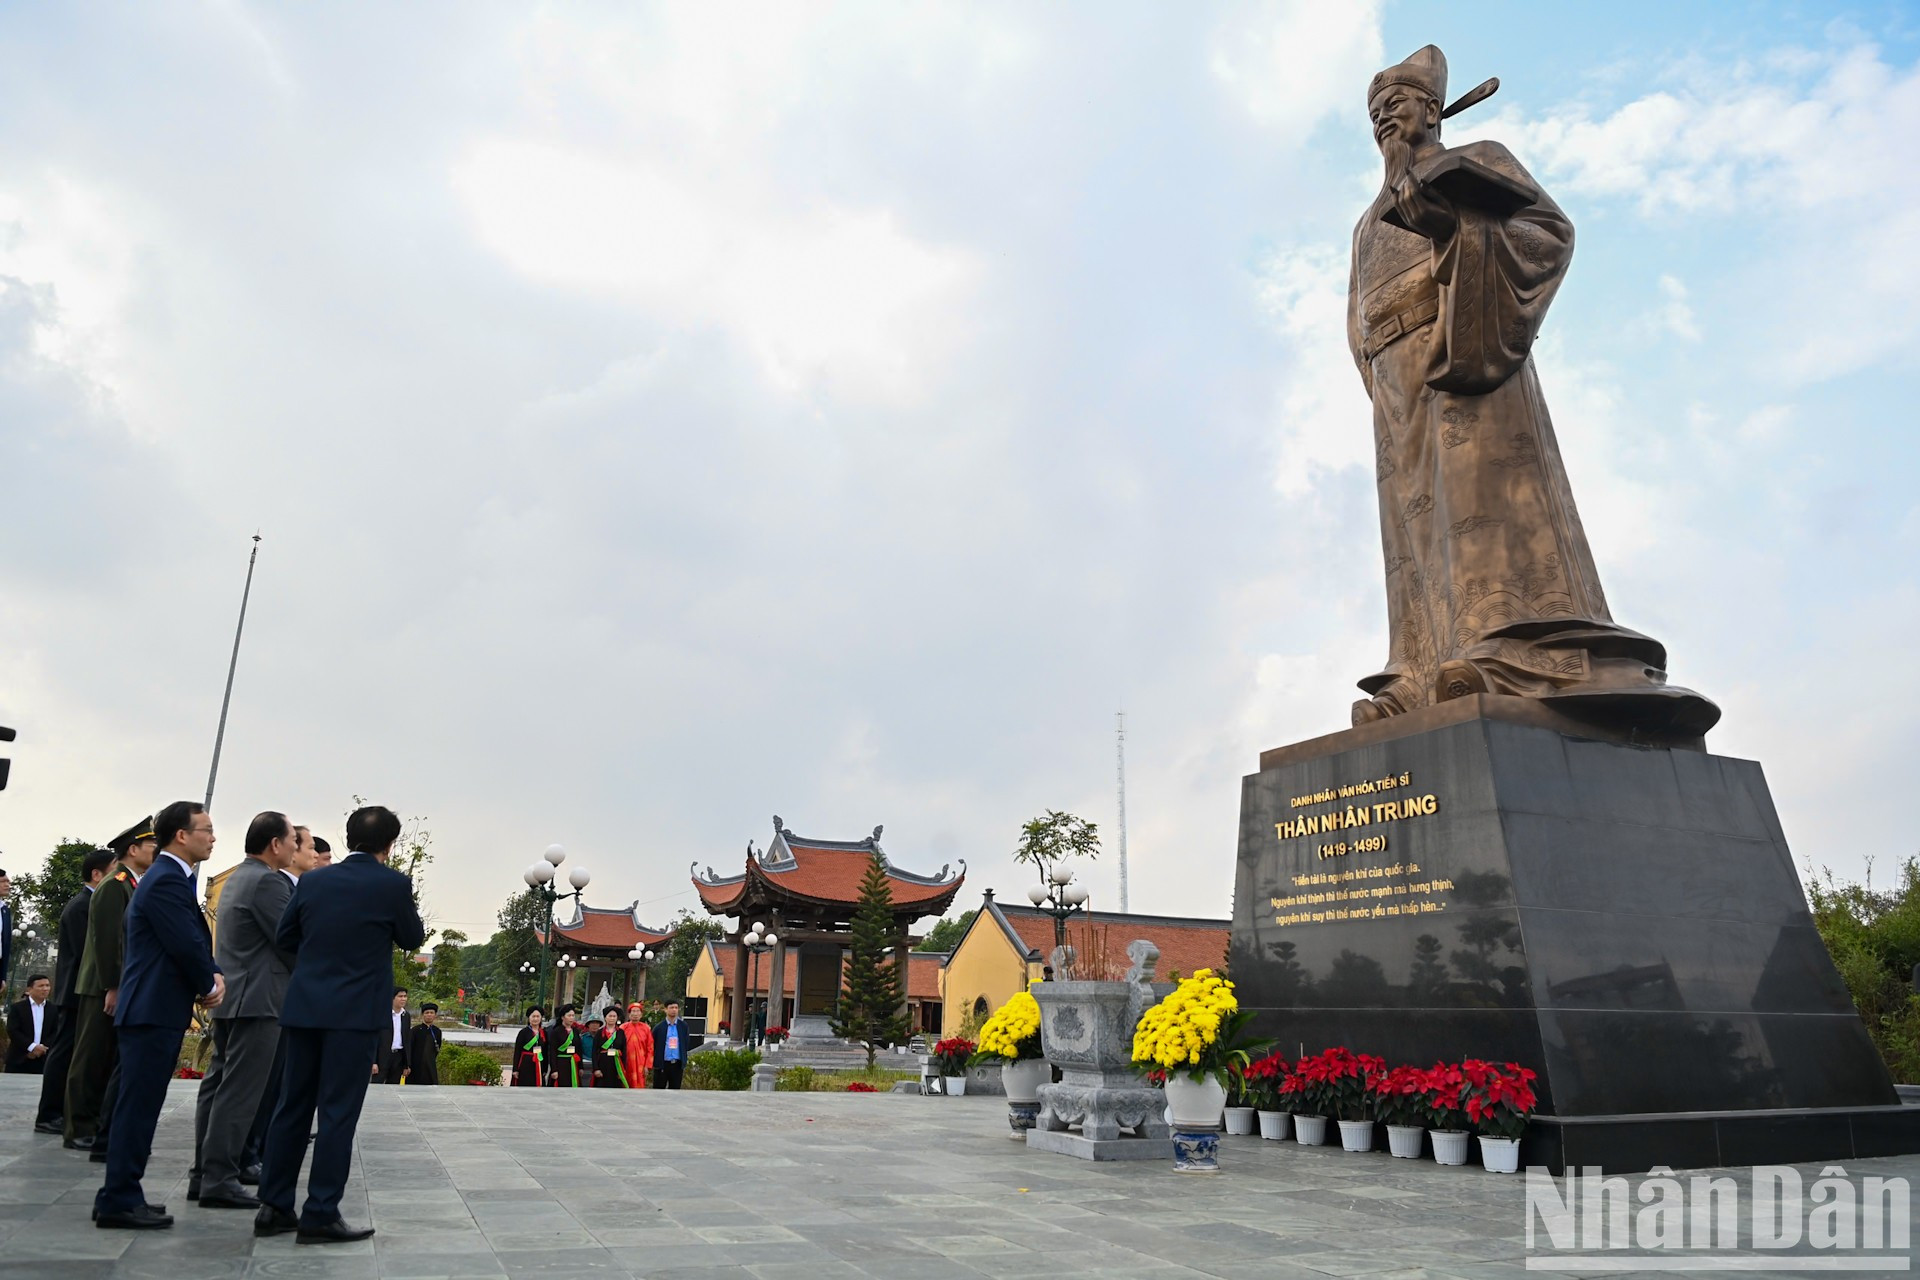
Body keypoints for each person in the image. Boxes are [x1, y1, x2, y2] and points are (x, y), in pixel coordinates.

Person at [1345, 44, 1713, 733]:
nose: (1384, 120)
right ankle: (1420, 669)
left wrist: (1460, 227)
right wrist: (1377, 374)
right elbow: (1356, 313)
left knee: (1482, 507)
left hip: (1467, 340)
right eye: (1374, 113)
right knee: (1411, 532)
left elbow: (1548, 230)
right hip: (1396, 385)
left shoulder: (1482, 156)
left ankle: (1509, 654)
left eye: (1395, 105)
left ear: (1431, 108)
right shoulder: (1369, 222)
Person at [255, 804, 424, 1244]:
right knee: (337, 1114)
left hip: (306, 1007)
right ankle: (320, 1213)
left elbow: (286, 936)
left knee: (291, 1106)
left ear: (348, 838)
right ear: (391, 843)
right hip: (354, 1015)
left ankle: (273, 1207)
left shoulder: (313, 880)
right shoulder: (393, 884)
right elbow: (412, 937)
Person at [94, 800, 224, 1231]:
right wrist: (209, 983)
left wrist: (213, 973)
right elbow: (183, 943)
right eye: (205, 829)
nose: (212, 837)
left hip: (155, 1008)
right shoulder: (167, 879)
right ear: (182, 836)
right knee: (138, 1107)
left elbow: (191, 939)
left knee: (140, 1105)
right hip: (152, 1010)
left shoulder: (171, 878)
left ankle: (119, 1193)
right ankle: (119, 1197)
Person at [189, 812, 298, 1209]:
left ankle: (204, 1174)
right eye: (292, 840)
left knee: (218, 1085)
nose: (294, 848)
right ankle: (219, 1178)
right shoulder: (268, 881)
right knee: (240, 1093)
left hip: (237, 997)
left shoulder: (239, 877)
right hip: (260, 1000)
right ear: (274, 844)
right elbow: (290, 940)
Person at [66, 819, 156, 1155]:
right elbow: (108, 942)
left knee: (105, 1059)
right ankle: (78, 1127)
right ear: (133, 850)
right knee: (89, 1058)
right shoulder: (114, 885)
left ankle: (95, 1123)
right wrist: (113, 986)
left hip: (113, 984)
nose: (156, 852)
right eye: (150, 847)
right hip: (100, 986)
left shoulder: (129, 884)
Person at [238, 824, 322, 1178]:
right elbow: (289, 943)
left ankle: (254, 1150)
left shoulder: (281, 884)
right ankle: (245, 1155)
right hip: (266, 996)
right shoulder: (273, 884)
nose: (316, 856)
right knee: (257, 1085)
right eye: (309, 847)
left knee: (272, 1083)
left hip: (278, 997)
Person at [35, 848, 114, 1131]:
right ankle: (49, 1114)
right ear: (96, 874)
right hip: (74, 993)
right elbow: (87, 953)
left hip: (81, 991)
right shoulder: (83, 905)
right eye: (113, 869)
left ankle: (65, 1111)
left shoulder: (90, 903)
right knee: (64, 1053)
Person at [6, 974, 53, 1072]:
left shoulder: (53, 1009)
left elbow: (55, 1031)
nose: (45, 989)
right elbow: (13, 1030)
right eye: (41, 986)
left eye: (47, 985)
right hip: (19, 1059)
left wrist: (41, 1049)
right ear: (29, 989)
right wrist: (32, 1047)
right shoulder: (17, 1008)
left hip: (44, 1060)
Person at [651, 1001, 701, 1089]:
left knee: (675, 1091)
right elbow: (653, 1044)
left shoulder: (683, 1026)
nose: (674, 1010)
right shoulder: (659, 1027)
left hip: (677, 1064)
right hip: (662, 1064)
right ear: (665, 1010)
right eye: (671, 1008)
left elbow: (686, 1043)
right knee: (658, 1091)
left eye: (676, 1008)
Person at [374, 988, 410, 1084]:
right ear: (392, 998)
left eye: (405, 996)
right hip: (383, 1056)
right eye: (400, 996)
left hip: (398, 1057)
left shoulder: (406, 1016)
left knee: (394, 1086)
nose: (403, 999)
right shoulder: (382, 1015)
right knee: (377, 1085)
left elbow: (407, 1040)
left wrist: (407, 1064)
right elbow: (375, 1039)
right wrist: (373, 1062)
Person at [592, 1008, 628, 1088]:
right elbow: (594, 1051)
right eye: (610, 1016)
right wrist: (596, 1068)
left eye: (614, 1016)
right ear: (605, 1018)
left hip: (616, 1064)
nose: (612, 1018)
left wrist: (623, 1069)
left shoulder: (620, 1032)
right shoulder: (599, 1033)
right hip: (602, 1064)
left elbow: (624, 1051)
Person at [547, 1006, 583, 1086]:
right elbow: (552, 1051)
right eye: (569, 1015)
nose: (571, 1018)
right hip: (561, 1063)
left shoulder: (576, 1031)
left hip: (573, 1063)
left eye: (573, 1016)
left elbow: (579, 1049)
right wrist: (554, 1069)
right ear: (563, 1017)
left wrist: (581, 1067)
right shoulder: (556, 1031)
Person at [407, 1003, 441, 1086]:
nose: (429, 1015)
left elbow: (437, 1048)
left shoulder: (437, 1031)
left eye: (431, 1013)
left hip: (430, 1066)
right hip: (416, 1066)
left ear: (435, 1015)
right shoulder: (415, 1030)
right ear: (422, 1015)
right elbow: (409, 1048)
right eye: (427, 1013)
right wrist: (408, 1065)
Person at [511, 1008, 546, 1086]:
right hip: (525, 1063)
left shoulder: (544, 1032)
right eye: (533, 1016)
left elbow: (546, 1051)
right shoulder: (523, 1033)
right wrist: (515, 1069)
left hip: (539, 1063)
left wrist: (545, 1069)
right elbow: (517, 1051)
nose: (535, 1019)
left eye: (538, 1016)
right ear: (529, 1018)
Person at [622, 1003, 652, 1089]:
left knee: (639, 1086)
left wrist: (647, 1065)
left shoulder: (646, 1028)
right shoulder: (622, 1028)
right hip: (626, 1062)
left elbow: (650, 1048)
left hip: (641, 1062)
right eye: (633, 1011)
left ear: (641, 1014)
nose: (635, 1014)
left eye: (638, 1011)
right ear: (629, 1014)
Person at [0, 867, 14, 997]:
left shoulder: (4, 910)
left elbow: (5, 944)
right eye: (3, 881)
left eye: (8, 882)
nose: (7, 885)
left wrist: (2, 976)